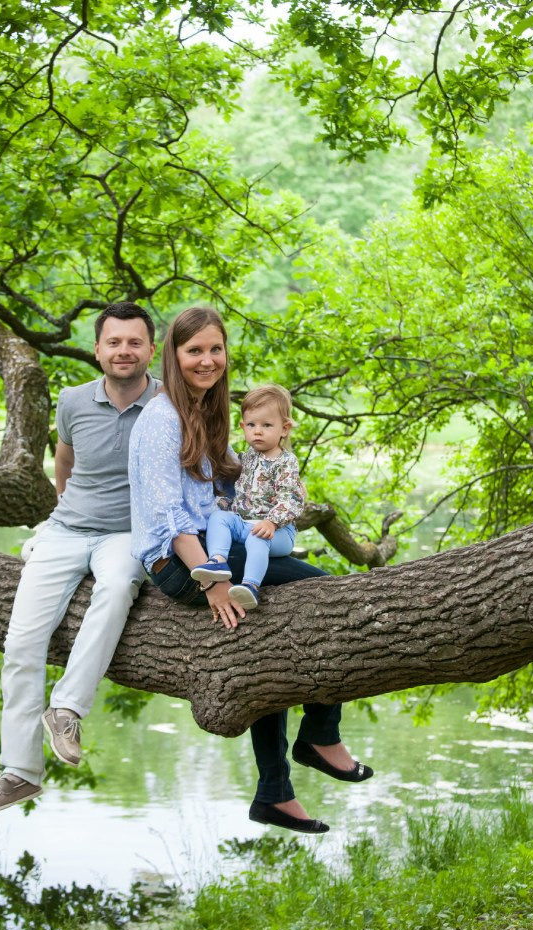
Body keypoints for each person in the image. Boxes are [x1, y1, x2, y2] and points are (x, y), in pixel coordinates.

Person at [129, 305, 372, 835]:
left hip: (213, 549)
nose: (207, 360)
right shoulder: (162, 418)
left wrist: (276, 473)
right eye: (194, 350)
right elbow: (169, 516)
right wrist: (213, 582)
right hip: (182, 563)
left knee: (267, 641)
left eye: (216, 349)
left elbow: (229, 488)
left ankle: (274, 793)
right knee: (331, 594)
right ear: (171, 355)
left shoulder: (207, 413)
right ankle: (321, 734)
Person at [0, 302, 160, 816]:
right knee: (21, 643)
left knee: (118, 587)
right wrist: (64, 509)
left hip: (127, 534)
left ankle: (67, 709)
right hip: (65, 530)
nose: (124, 350)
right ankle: (19, 771)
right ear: (98, 349)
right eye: (114, 342)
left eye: (135, 342)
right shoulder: (73, 400)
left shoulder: (169, 404)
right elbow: (65, 458)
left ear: (151, 349)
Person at [190, 384, 305, 611]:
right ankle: (217, 561)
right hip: (244, 522)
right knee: (219, 518)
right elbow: (242, 493)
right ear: (243, 426)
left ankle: (250, 585)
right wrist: (222, 505)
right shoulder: (249, 456)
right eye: (251, 425)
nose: (257, 431)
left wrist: (272, 522)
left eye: (267, 425)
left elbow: (292, 500)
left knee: (256, 538)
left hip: (278, 531)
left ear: (284, 428)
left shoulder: (285, 462)